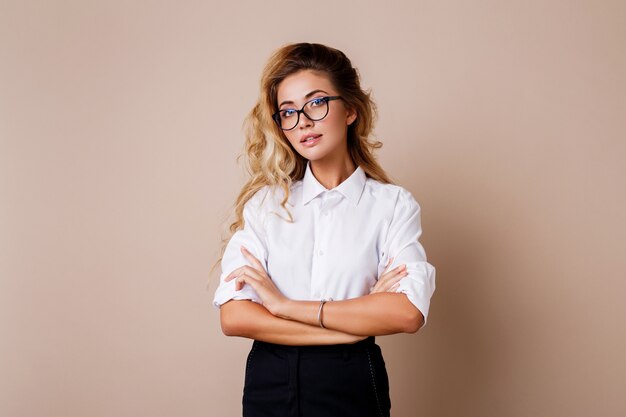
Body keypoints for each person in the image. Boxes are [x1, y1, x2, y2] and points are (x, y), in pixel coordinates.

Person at [211, 42, 436, 417]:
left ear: (350, 109)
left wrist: (283, 306)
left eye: (316, 103)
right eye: (288, 112)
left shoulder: (392, 206)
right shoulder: (267, 206)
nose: (302, 122)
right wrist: (352, 327)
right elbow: (234, 317)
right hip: (271, 385)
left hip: (351, 385)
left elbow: (407, 313)